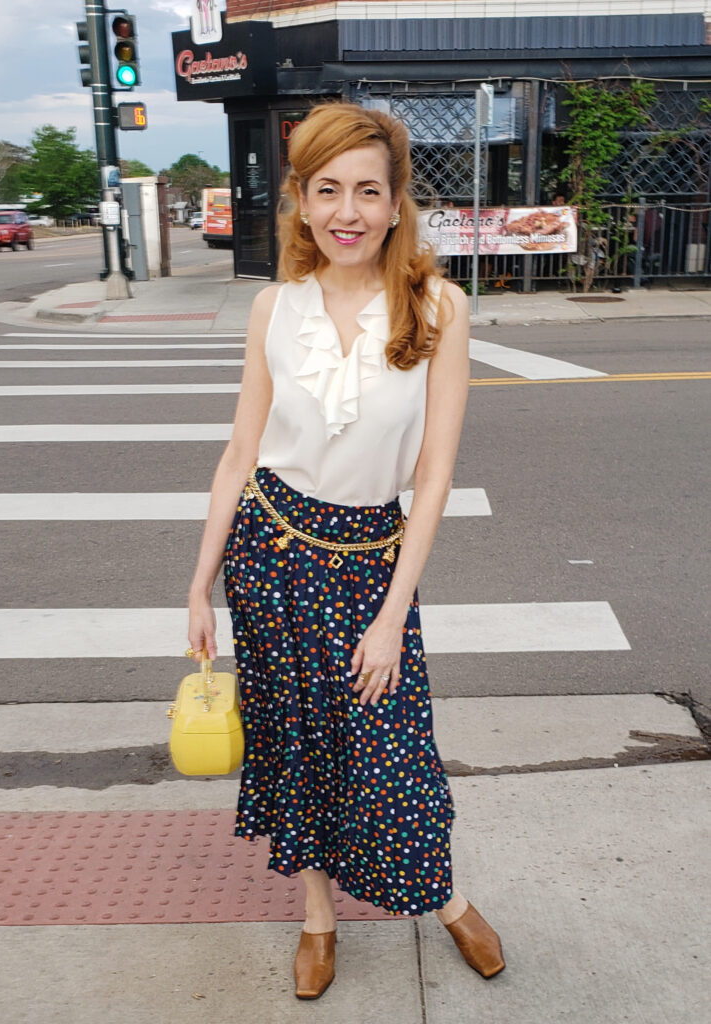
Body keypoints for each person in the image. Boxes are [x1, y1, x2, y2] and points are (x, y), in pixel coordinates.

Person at [187, 101, 505, 999]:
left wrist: (393, 612)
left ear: (398, 201)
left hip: (371, 559)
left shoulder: (438, 305)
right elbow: (240, 454)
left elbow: (434, 476)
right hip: (271, 551)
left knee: (394, 753)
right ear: (299, 200)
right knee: (294, 745)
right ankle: (317, 918)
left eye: (368, 190)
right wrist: (199, 582)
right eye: (327, 190)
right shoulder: (272, 307)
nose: (348, 211)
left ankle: (442, 898)